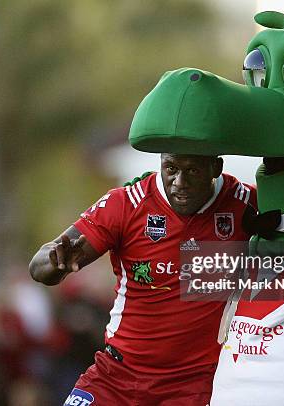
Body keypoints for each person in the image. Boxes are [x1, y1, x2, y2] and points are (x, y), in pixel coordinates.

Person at [30, 153, 256, 405]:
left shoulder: (245, 202)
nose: (179, 182)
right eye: (171, 168)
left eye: (192, 171)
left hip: (194, 385)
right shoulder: (125, 203)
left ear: (215, 167)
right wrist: (55, 262)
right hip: (118, 375)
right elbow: (37, 267)